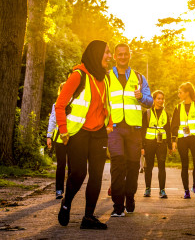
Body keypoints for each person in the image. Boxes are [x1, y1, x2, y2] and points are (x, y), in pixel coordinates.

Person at [56, 40, 113, 230]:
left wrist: (109, 123)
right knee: (79, 174)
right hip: (79, 133)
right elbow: (60, 105)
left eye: (110, 52)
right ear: (96, 54)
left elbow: (106, 105)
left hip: (99, 134)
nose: (109, 56)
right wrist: (63, 130)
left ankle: (88, 217)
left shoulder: (105, 78)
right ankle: (66, 203)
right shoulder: (78, 75)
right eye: (106, 52)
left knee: (97, 175)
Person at [108, 43, 153, 217]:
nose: (122, 57)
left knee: (133, 166)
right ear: (114, 56)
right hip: (115, 129)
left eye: (125, 54)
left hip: (134, 130)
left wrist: (141, 97)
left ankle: (130, 196)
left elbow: (149, 102)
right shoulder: (106, 77)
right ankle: (117, 205)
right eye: (119, 54)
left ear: (129, 56)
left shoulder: (139, 78)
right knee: (117, 166)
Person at [171, 82, 195, 199]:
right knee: (184, 164)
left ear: (187, 93)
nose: (179, 95)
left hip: (194, 138)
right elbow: (174, 125)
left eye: (180, 92)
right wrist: (173, 141)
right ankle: (186, 190)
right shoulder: (178, 107)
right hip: (182, 139)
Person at [141, 90, 172, 198]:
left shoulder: (166, 113)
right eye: (158, 98)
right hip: (149, 143)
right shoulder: (147, 113)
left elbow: (168, 130)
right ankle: (147, 189)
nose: (160, 100)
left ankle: (162, 190)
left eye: (162, 98)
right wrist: (142, 146)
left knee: (161, 166)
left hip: (162, 144)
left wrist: (170, 146)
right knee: (148, 167)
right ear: (154, 100)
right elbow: (143, 130)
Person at [46, 83, 70, 200]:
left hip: (73, 138)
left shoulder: (75, 104)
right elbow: (52, 121)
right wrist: (49, 136)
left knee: (72, 165)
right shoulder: (56, 105)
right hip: (59, 139)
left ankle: (71, 190)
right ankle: (59, 190)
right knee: (61, 164)